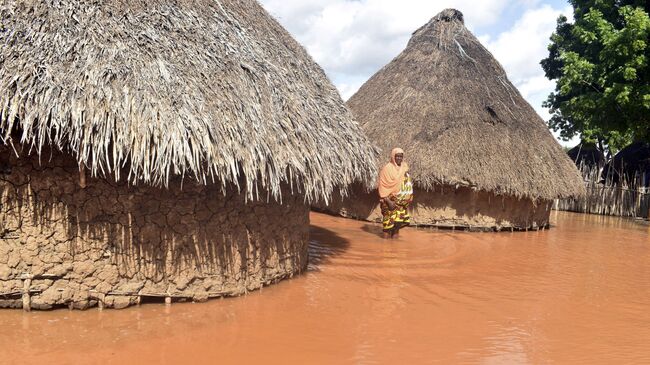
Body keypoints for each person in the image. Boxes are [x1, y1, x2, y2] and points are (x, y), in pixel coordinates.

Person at [378, 148, 413, 239]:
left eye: (401, 156)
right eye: (397, 156)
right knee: (387, 227)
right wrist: (388, 201)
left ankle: (394, 250)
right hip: (389, 201)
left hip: (401, 203)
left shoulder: (405, 167)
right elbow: (382, 186)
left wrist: (408, 196)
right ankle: (384, 249)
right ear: (393, 156)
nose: (399, 158)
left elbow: (407, 183)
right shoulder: (387, 169)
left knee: (397, 227)